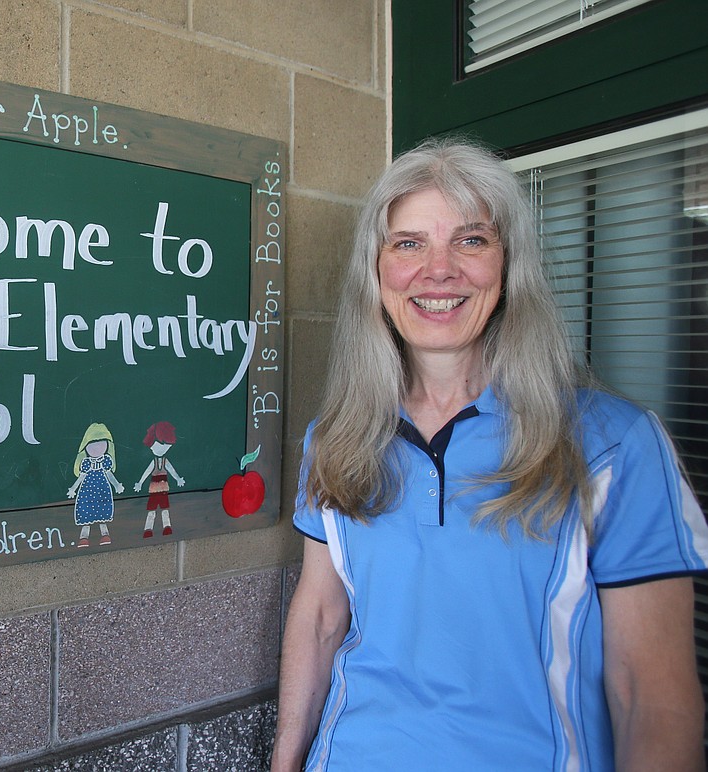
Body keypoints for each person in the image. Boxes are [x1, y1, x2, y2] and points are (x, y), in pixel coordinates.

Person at [271, 139, 708, 771]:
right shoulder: (334, 439)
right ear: (377, 269)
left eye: (471, 240)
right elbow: (317, 618)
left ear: (509, 268)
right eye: (409, 243)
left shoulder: (613, 445)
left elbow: (651, 697)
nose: (439, 270)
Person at [67, 422, 124, 547]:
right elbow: (81, 477)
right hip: (87, 490)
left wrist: (116, 485)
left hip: (102, 488)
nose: (97, 447)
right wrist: (73, 489)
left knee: (102, 513)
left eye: (101, 443)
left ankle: (105, 535)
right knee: (86, 513)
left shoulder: (106, 461)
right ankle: (83, 537)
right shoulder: (86, 463)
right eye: (93, 443)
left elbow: (109, 475)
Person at [133, 420, 186, 537]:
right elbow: (147, 471)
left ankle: (167, 527)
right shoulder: (154, 461)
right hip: (153, 490)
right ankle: (148, 529)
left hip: (163, 490)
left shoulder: (165, 461)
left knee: (165, 510)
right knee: (151, 511)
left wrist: (178, 479)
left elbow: (172, 470)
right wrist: (140, 483)